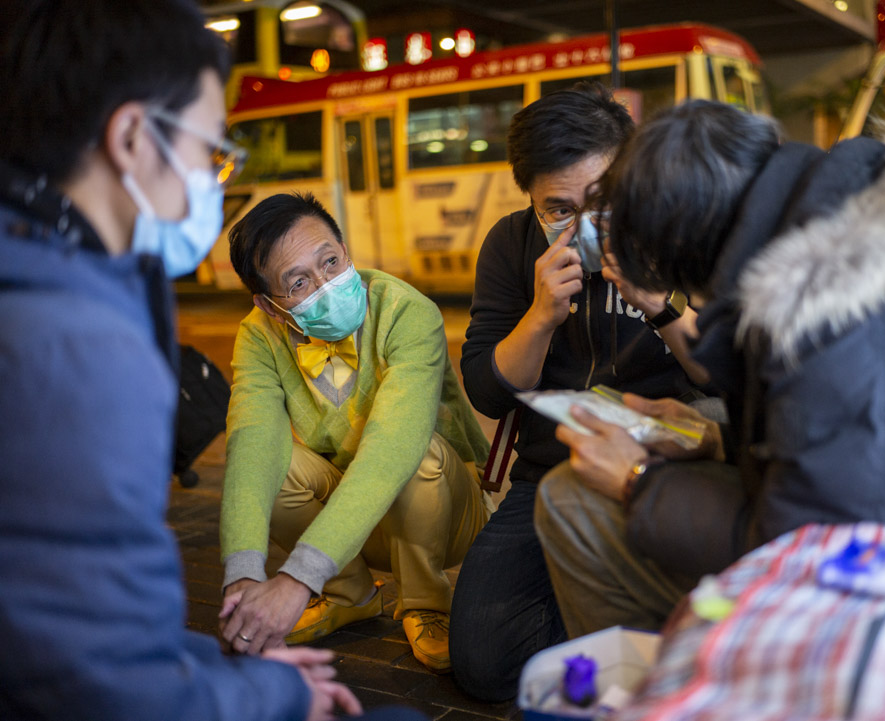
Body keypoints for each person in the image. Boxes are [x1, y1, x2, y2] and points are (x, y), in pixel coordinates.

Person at [534, 100, 885, 637]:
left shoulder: (832, 309)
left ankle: (689, 691)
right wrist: (718, 439)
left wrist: (639, 479)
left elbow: (824, 549)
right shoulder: (863, 211)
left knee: (571, 501)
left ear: (694, 253)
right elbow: (872, 446)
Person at [0, 2, 369, 719]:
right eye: (209, 150)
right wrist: (281, 691)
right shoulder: (80, 349)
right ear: (133, 136)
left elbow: (55, 626)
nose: (210, 176)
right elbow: (105, 685)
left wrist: (214, 663)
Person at [450, 82, 709, 701]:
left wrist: (657, 300)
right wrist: (540, 314)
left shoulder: (682, 228)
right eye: (558, 210)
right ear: (532, 203)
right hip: (549, 471)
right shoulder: (512, 245)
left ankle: (637, 630)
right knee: (483, 663)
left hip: (666, 463)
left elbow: (724, 375)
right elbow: (488, 390)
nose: (583, 224)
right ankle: (631, 628)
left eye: (603, 200)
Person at [218, 192, 493, 675]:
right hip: (358, 521)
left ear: (346, 248)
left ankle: (425, 601)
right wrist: (241, 575)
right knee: (271, 465)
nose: (326, 284)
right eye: (299, 281)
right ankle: (349, 594)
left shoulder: (406, 311)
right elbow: (252, 441)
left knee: (419, 455)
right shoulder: (259, 334)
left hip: (447, 515)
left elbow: (393, 449)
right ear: (268, 304)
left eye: (330, 261)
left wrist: (296, 580)